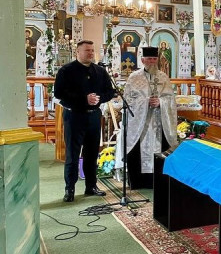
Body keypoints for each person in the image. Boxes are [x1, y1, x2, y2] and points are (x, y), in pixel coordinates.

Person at [54, 40, 115, 202]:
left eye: (92, 50)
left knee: (92, 153)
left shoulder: (100, 71)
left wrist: (99, 98)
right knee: (73, 154)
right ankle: (70, 188)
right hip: (74, 116)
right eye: (87, 50)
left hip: (94, 116)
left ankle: (91, 186)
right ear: (78, 52)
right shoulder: (66, 70)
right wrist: (84, 99)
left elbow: (110, 92)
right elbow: (59, 93)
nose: (90, 53)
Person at [121, 47, 178, 189]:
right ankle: (138, 182)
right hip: (140, 123)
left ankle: (158, 182)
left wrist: (161, 102)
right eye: (149, 59)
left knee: (161, 149)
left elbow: (171, 99)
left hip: (159, 121)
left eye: (154, 59)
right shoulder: (134, 77)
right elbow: (127, 100)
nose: (152, 62)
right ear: (142, 60)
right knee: (137, 150)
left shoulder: (163, 77)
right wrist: (145, 102)